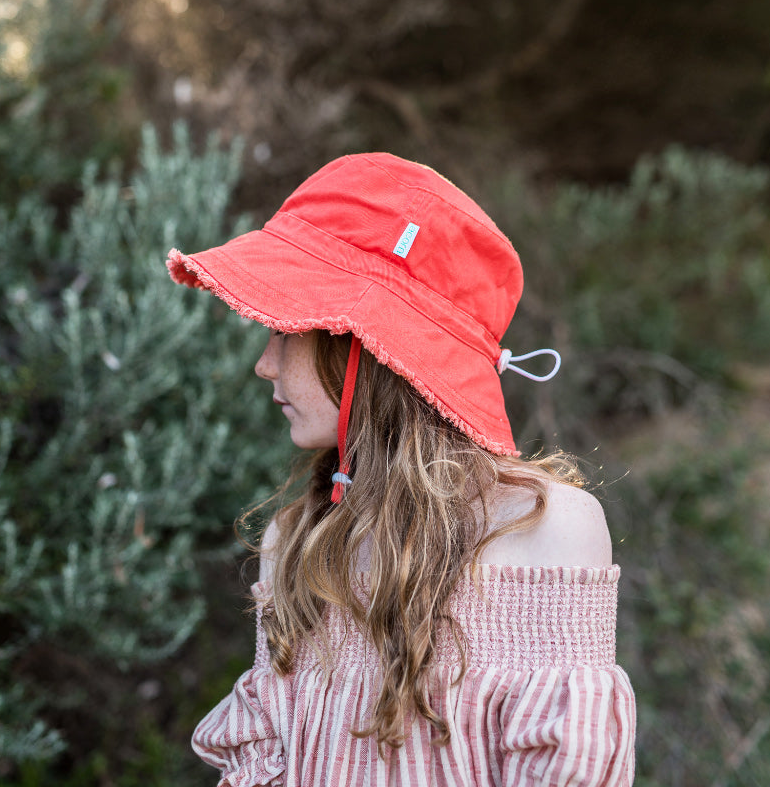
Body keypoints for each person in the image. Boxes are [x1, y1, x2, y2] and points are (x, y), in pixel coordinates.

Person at [167, 152, 636, 786]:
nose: (265, 364)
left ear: (361, 345)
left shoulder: (546, 530)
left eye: (284, 330)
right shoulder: (296, 541)